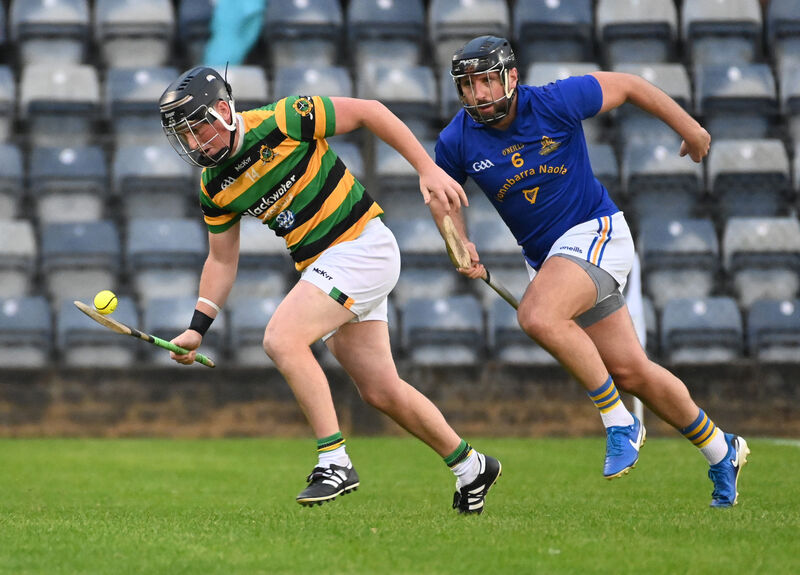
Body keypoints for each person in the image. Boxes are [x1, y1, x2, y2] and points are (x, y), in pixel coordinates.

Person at [157, 66, 501, 513]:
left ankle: (334, 460)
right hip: (325, 267)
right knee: (379, 389)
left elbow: (372, 112)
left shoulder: (284, 119)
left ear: (224, 110)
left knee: (281, 338)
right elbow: (222, 261)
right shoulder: (214, 186)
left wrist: (427, 170)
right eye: (183, 136)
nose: (193, 143)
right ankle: (471, 466)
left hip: (361, 245)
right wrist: (197, 329)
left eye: (197, 127)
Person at [430, 36, 748, 508]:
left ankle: (620, 422)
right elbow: (445, 194)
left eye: (486, 80)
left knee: (537, 316)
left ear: (511, 77)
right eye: (469, 85)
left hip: (597, 233)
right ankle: (723, 450)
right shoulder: (456, 138)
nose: (478, 94)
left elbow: (631, 85)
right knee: (631, 370)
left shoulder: (557, 100)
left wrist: (692, 129)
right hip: (553, 259)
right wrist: (460, 243)